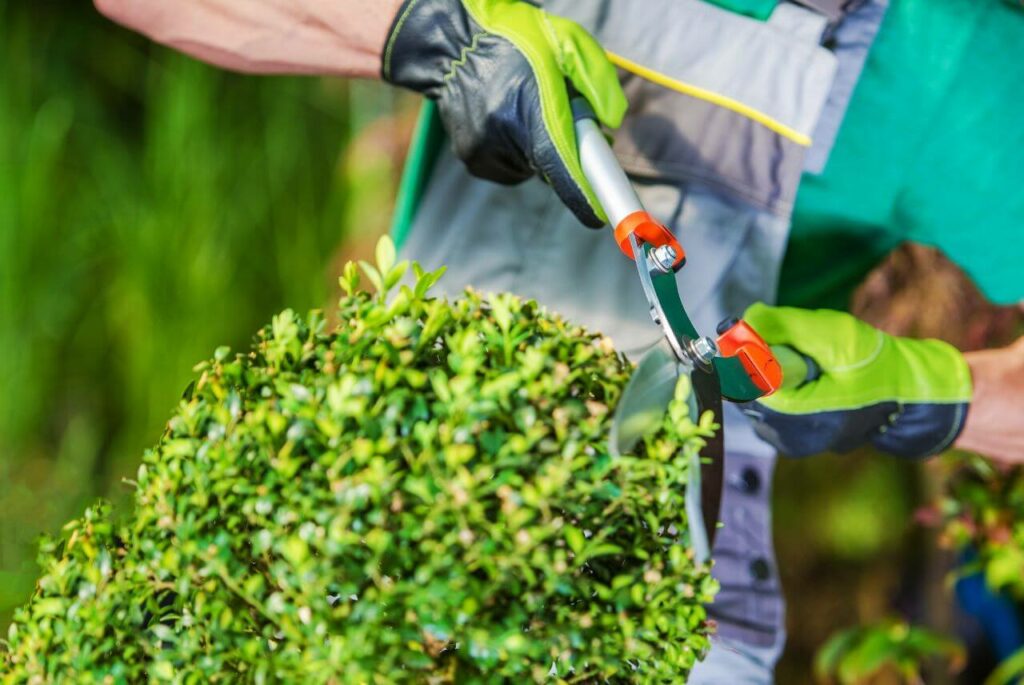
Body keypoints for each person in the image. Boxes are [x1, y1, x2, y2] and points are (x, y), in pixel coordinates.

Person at [92, 0, 1024, 681]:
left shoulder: (950, 59)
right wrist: (427, 31)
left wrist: (927, 390)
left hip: (662, 619)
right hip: (371, 520)